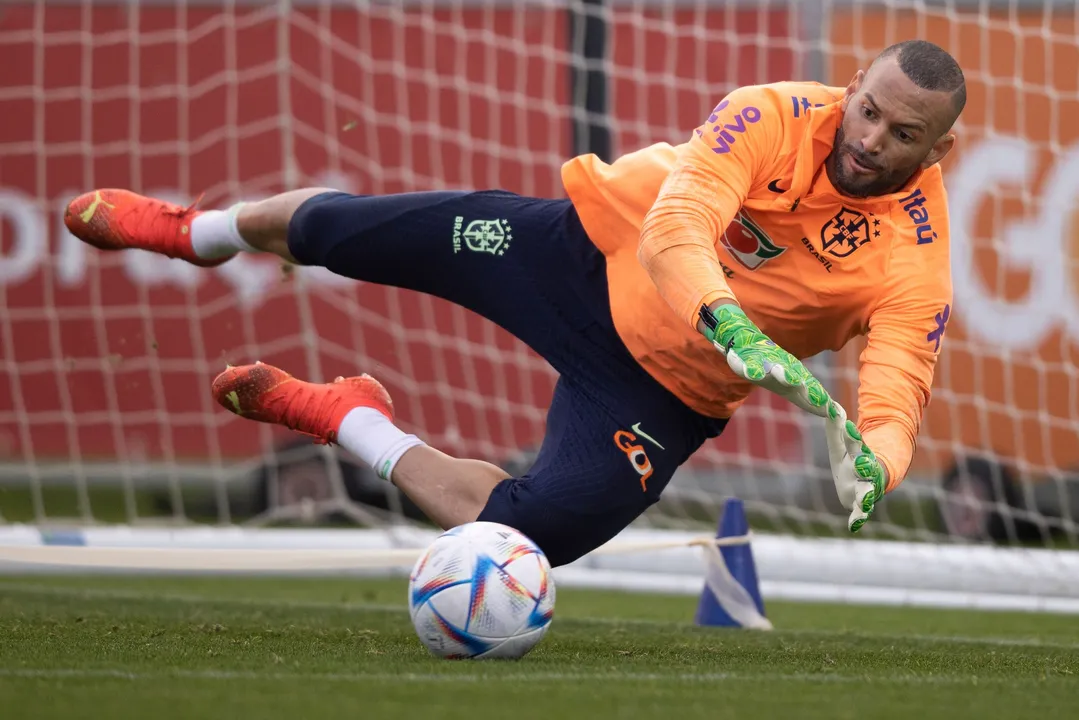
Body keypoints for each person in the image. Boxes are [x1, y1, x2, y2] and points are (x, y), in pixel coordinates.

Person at [63, 39, 964, 567]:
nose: (870, 140)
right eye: (869, 113)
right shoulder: (769, 111)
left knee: (535, 536)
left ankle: (348, 419)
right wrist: (728, 321)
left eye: (902, 135)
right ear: (850, 91)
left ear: (940, 149)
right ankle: (199, 233)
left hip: (662, 392)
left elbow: (899, 380)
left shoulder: (916, 253)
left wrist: (875, 461)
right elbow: (676, 226)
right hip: (579, 254)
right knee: (344, 230)